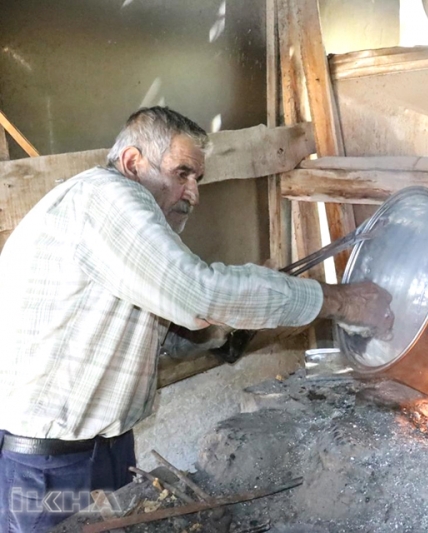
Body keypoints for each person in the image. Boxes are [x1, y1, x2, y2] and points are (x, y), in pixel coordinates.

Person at [0, 106, 393, 532]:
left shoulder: (102, 214)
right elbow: (199, 293)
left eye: (197, 179)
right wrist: (340, 301)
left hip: (93, 452)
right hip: (52, 467)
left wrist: (218, 324)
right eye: (182, 173)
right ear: (133, 163)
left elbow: (164, 329)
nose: (193, 193)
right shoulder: (107, 196)